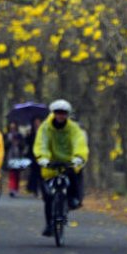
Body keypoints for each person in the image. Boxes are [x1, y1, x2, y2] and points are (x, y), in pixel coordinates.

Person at [33, 99, 89, 237]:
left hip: (69, 161)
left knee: (74, 175)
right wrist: (43, 159)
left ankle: (73, 199)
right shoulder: (45, 127)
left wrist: (78, 158)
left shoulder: (73, 128)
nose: (60, 116)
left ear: (67, 114)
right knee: (48, 197)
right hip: (51, 162)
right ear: (53, 113)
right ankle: (49, 225)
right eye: (58, 112)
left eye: (63, 113)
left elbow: (79, 143)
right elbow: (42, 143)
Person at [4, 120, 26, 196]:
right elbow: (5, 146)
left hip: (18, 156)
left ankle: (16, 188)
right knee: (12, 173)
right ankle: (12, 189)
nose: (12, 128)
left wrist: (18, 143)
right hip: (10, 157)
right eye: (11, 127)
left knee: (17, 174)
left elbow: (23, 146)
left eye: (14, 127)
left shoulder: (20, 135)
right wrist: (10, 142)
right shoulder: (7, 135)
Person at [26, 117, 43, 197]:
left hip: (41, 155)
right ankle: (34, 190)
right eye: (35, 122)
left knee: (41, 173)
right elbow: (28, 143)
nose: (37, 123)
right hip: (32, 155)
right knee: (34, 173)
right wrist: (28, 135)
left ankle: (41, 189)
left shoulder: (43, 132)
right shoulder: (31, 133)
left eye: (38, 122)